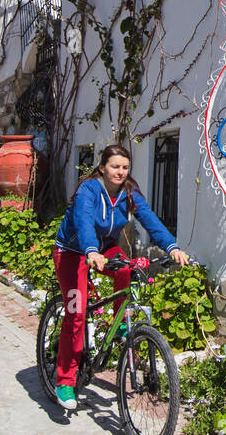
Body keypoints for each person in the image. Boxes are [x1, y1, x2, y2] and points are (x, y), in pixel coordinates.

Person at [50, 144, 189, 411]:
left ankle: (120, 324)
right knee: (76, 314)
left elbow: (149, 219)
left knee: (125, 268)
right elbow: (83, 220)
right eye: (115, 166)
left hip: (103, 250)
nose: (120, 171)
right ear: (102, 167)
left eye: (125, 167)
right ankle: (65, 381)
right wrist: (90, 250)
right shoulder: (88, 189)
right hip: (72, 252)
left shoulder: (129, 193)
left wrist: (171, 247)